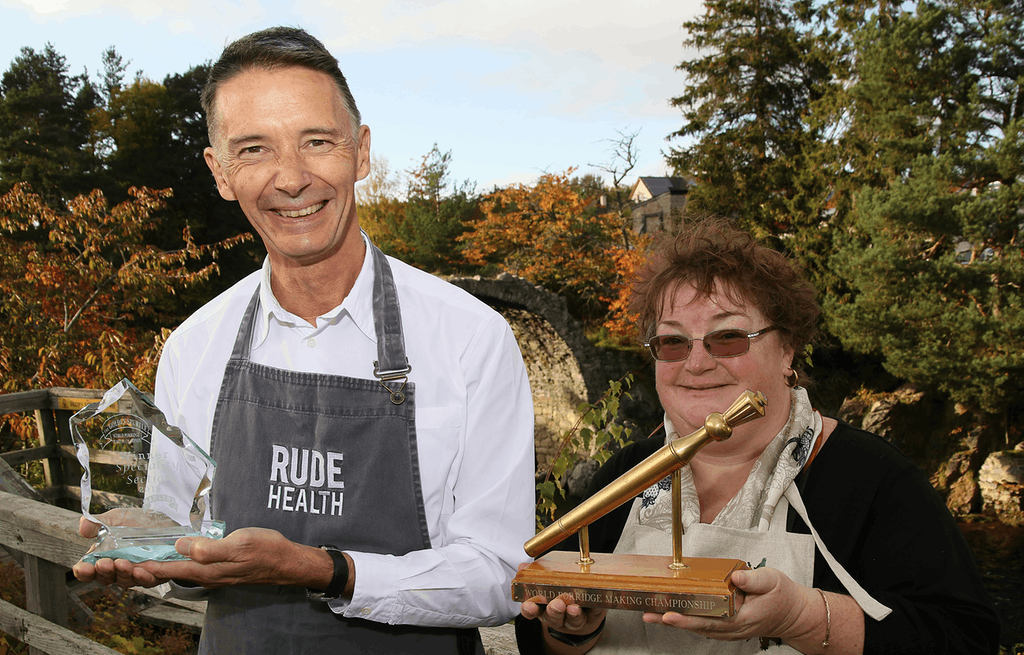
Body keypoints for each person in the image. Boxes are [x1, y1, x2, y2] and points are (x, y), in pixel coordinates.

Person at [71, 26, 535, 654]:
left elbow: (503, 576)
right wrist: (143, 550)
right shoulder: (194, 346)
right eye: (254, 149)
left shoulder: (470, 338)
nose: (291, 178)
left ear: (361, 151)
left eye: (318, 142)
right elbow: (173, 534)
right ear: (220, 173)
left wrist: (325, 571)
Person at [517, 218, 999, 654]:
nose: (697, 363)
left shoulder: (871, 479)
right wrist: (572, 630)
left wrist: (802, 619)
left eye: (728, 338)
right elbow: (544, 639)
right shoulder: (626, 473)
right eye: (672, 342)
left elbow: (964, 638)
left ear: (788, 349)